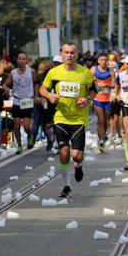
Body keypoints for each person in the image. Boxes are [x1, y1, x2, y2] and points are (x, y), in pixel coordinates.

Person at [40, 42, 96, 198]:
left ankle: (78, 166)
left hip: (78, 119)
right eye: (66, 52)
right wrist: (49, 95)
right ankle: (67, 186)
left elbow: (93, 91)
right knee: (64, 153)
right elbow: (42, 88)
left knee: (76, 155)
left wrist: (87, 99)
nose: (69, 55)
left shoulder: (85, 73)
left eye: (72, 52)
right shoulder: (53, 72)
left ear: (77, 54)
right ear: (62, 54)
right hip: (61, 117)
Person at [3, 53, 37, 154]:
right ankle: (19, 146)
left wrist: (36, 95)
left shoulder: (31, 71)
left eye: (23, 59)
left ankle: (29, 137)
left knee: (26, 126)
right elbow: (5, 84)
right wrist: (6, 88)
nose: (21, 61)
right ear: (17, 60)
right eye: (19, 59)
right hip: (17, 100)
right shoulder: (13, 73)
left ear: (27, 61)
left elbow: (36, 84)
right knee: (16, 125)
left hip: (28, 100)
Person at [91, 53, 115, 152]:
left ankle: (103, 135)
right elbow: (89, 82)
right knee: (100, 120)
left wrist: (107, 85)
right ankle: (101, 140)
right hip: (97, 98)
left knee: (105, 121)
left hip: (107, 99)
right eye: (102, 60)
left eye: (105, 60)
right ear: (98, 61)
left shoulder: (111, 71)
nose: (104, 62)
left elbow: (114, 84)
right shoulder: (93, 70)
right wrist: (97, 84)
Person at [32, 59, 56, 151]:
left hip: (45, 102)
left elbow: (38, 88)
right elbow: (37, 87)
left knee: (42, 123)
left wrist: (38, 97)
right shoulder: (43, 77)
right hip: (43, 102)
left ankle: (46, 140)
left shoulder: (48, 77)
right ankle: (48, 141)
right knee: (44, 124)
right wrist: (38, 97)